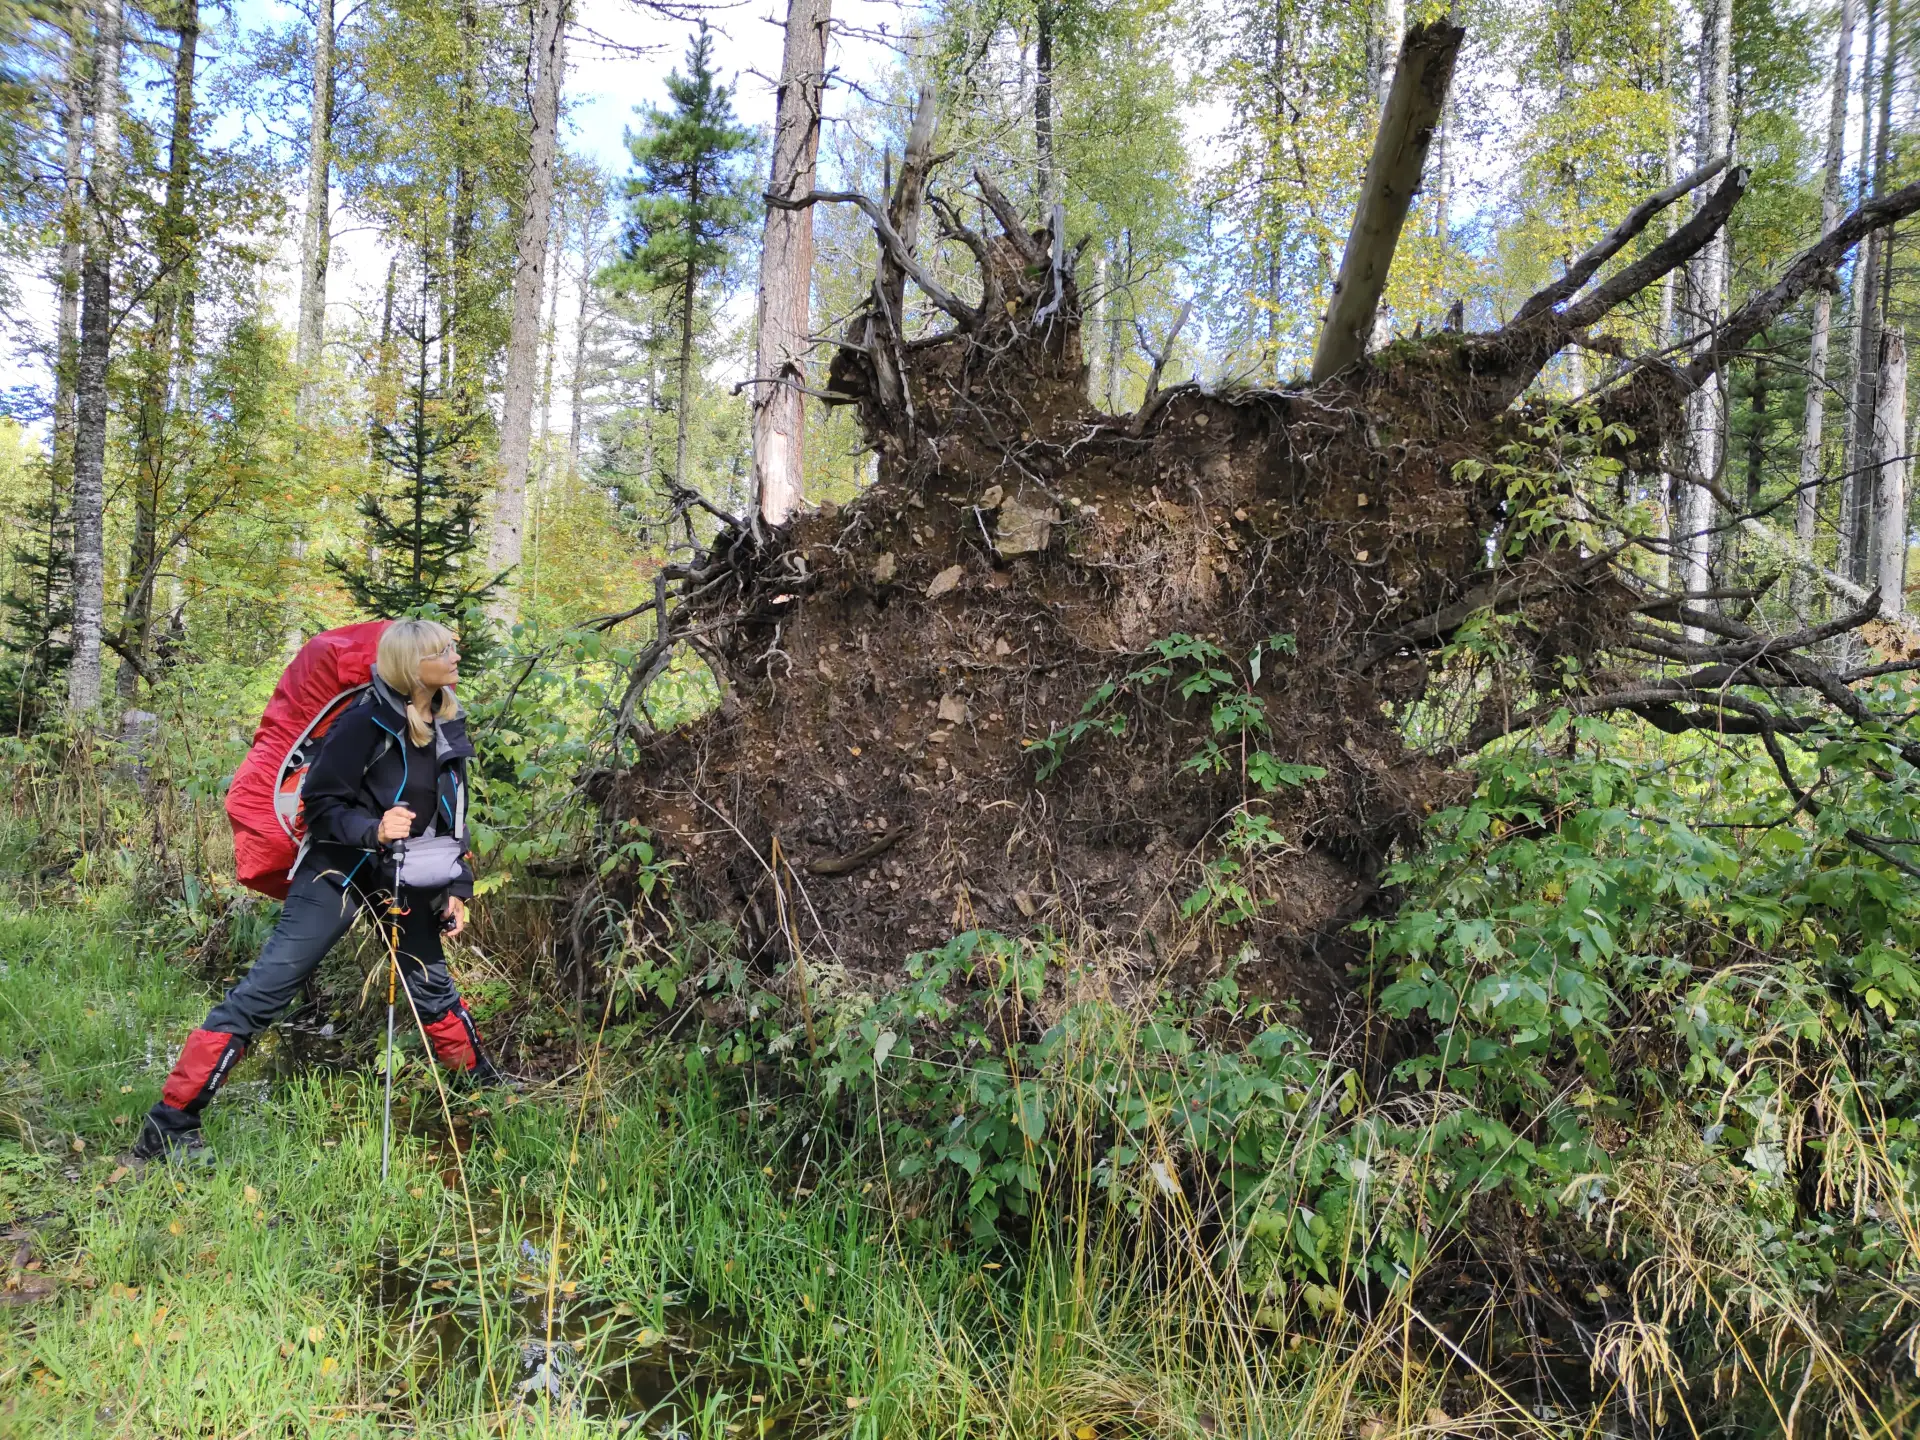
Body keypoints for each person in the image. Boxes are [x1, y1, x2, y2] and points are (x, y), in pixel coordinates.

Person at [132, 618, 501, 1164]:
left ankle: (485, 1095)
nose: (456, 655)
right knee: (268, 989)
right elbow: (321, 806)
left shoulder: (446, 720)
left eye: (453, 646)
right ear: (412, 665)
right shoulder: (364, 722)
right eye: (443, 649)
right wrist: (373, 830)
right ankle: (168, 1128)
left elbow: (455, 815)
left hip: (406, 875)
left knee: (432, 987)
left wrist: (458, 887)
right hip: (338, 869)